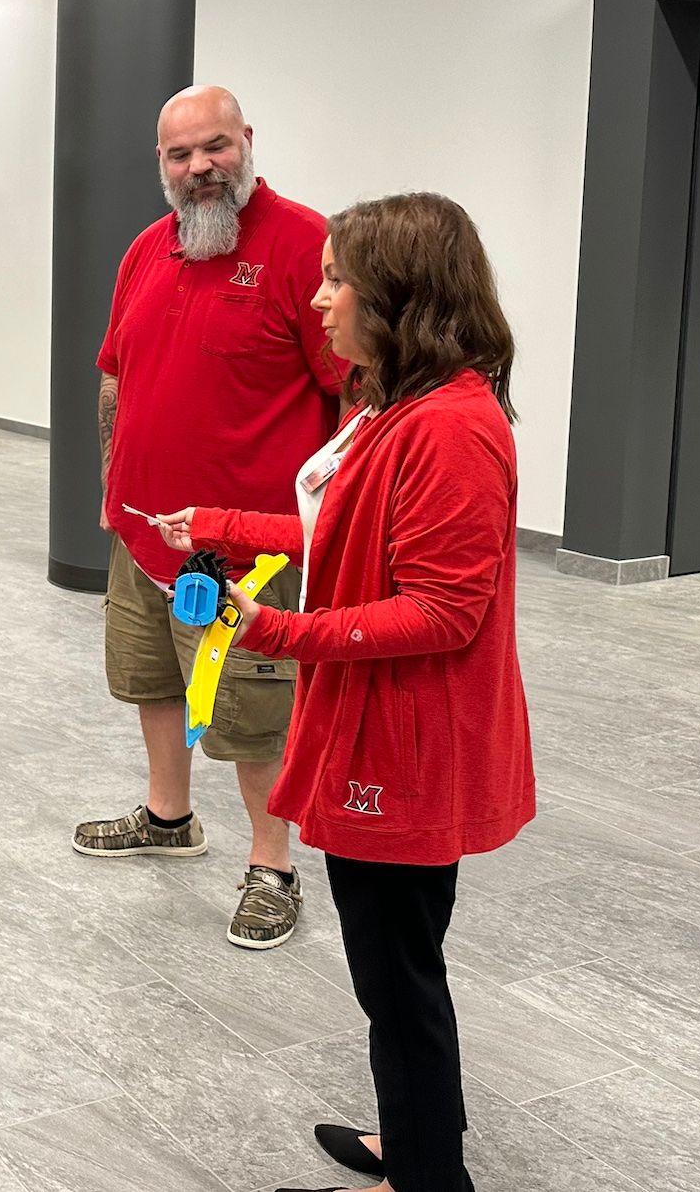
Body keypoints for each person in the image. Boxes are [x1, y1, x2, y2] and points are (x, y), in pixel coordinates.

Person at [158, 192, 535, 1192]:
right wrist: (224, 523)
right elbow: (336, 535)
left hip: (406, 746)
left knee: (396, 973)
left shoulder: (447, 427)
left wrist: (274, 631)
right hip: (376, 727)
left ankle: (423, 1176)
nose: (317, 298)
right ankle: (412, 1141)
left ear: (397, 296)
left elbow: (442, 612)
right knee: (396, 966)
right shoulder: (389, 406)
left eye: (335, 278)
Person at [74, 85, 343, 951]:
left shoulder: (306, 246)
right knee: (151, 680)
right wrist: (112, 487)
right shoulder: (149, 250)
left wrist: (327, 526)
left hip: (250, 548)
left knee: (251, 716)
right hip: (147, 532)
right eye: (181, 156)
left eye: (215, 148)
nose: (200, 170)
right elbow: (115, 373)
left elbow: (354, 397)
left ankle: (275, 864)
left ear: (247, 142)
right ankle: (167, 816)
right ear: (161, 164)